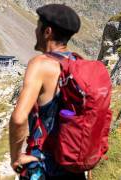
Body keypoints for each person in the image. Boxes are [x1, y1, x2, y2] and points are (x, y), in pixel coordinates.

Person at [9, 4, 86, 179]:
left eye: (37, 26)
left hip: (44, 166)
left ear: (47, 31)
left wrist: (16, 157)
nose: (35, 31)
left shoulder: (40, 64)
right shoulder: (78, 63)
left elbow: (19, 119)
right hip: (73, 165)